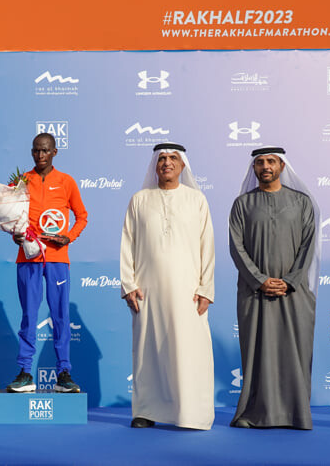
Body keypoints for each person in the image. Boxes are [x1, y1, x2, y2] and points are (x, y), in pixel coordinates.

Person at [120, 143, 215, 430]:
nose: (167, 163)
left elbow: (207, 246)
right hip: (148, 291)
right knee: (148, 351)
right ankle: (146, 411)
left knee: (189, 351)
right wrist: (129, 285)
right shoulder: (139, 200)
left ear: (183, 165)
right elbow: (127, 244)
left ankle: (191, 413)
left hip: (189, 292)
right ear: (155, 165)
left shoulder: (196, 200)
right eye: (162, 158)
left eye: (173, 158)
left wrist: (206, 289)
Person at [229, 147, 319, 430]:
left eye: (271, 161)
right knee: (257, 353)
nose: (265, 166)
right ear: (253, 168)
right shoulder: (242, 204)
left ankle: (296, 415)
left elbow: (308, 245)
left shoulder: (301, 202)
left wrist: (290, 280)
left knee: (295, 352)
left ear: (282, 165)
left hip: (295, 293)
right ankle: (253, 413)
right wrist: (260, 280)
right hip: (254, 292)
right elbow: (236, 247)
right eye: (259, 162)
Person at [6, 133, 87, 393]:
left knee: (60, 316)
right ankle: (25, 372)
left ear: (54, 152)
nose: (40, 155)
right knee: (29, 315)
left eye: (45, 150)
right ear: (32, 152)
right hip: (28, 257)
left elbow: (82, 216)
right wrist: (15, 234)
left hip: (57, 259)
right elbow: (11, 217)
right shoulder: (21, 181)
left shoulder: (66, 181)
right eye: (36, 150)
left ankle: (64, 373)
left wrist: (68, 237)